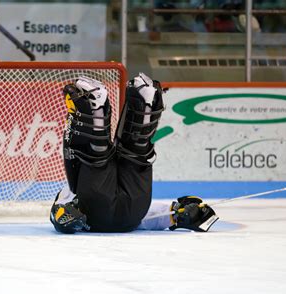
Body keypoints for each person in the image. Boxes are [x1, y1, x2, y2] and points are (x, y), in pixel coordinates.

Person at [49, 73, 219, 234]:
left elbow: (59, 216)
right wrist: (177, 214)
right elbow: (149, 215)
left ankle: (100, 122)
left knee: (110, 156)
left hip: (112, 211)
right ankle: (136, 113)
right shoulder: (76, 188)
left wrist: (175, 215)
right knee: (130, 152)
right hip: (132, 207)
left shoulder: (73, 190)